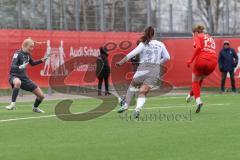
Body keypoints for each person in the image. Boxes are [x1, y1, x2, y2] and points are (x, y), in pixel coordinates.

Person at [116, 26, 170, 118]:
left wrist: (120, 62)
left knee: (133, 86)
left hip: (143, 68)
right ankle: (137, 109)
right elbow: (167, 57)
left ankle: (126, 105)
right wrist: (158, 63)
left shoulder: (143, 43)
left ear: (145, 33)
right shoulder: (160, 44)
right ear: (154, 34)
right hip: (154, 70)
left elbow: (132, 54)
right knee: (143, 92)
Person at [5, 38, 49, 113]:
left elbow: (32, 63)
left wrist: (41, 60)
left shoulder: (28, 55)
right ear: (25, 46)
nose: (32, 49)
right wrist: (19, 67)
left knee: (41, 96)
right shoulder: (17, 54)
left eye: (33, 47)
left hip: (25, 79)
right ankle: (12, 104)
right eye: (30, 47)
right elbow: (12, 66)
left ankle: (35, 108)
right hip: (14, 76)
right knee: (18, 82)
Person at [186, 24, 217, 113]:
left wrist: (190, 60)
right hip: (213, 61)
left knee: (195, 81)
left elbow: (198, 47)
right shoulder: (210, 37)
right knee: (199, 80)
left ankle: (198, 101)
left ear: (195, 32)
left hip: (202, 59)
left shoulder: (197, 36)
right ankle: (190, 95)